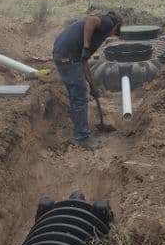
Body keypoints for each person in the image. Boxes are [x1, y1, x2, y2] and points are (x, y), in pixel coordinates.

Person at [52, 11, 123, 149]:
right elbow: (90, 20)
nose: (113, 34)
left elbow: (83, 62)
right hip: (67, 56)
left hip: (64, 54)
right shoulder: (108, 22)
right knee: (79, 98)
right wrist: (85, 46)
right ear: (117, 26)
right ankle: (82, 137)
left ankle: (80, 130)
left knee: (76, 96)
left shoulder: (96, 35)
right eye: (116, 31)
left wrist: (92, 86)